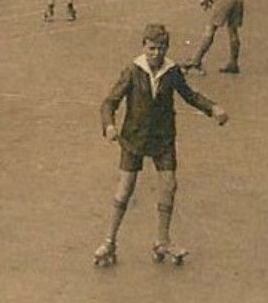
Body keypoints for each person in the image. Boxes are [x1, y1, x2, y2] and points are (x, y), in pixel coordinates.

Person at [93, 23, 229, 267]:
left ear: (167, 48)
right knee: (124, 189)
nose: (156, 54)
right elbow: (109, 102)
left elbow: (189, 95)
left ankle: (162, 240)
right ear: (144, 46)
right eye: (152, 48)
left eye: (161, 49)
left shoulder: (172, 71)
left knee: (169, 186)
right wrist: (109, 126)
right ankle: (109, 241)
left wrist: (212, 107)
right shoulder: (133, 71)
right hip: (134, 138)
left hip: (163, 138)